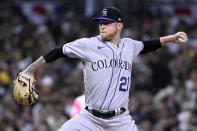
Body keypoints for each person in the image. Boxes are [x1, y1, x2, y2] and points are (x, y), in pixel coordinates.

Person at [22, 7, 188, 131]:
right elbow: (58, 51)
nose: (102, 26)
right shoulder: (87, 44)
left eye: (107, 23)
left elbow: (146, 45)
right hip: (90, 118)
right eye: (101, 23)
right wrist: (31, 68)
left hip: (120, 120)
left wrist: (170, 38)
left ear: (119, 26)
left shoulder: (129, 45)